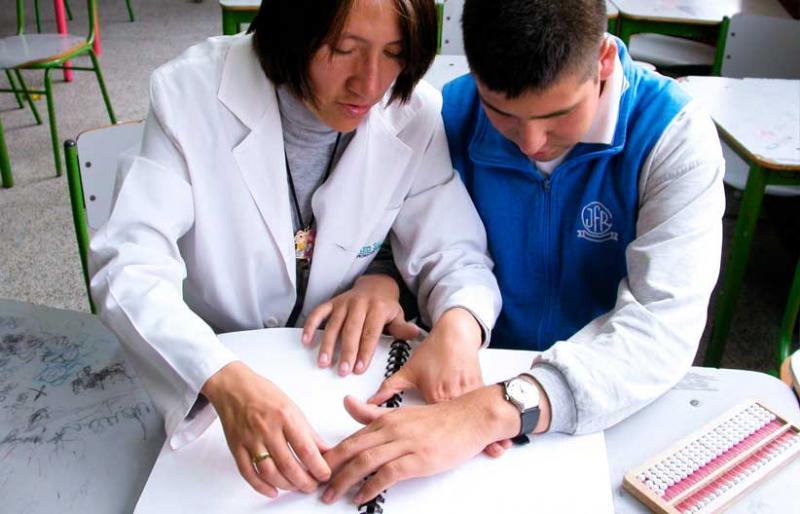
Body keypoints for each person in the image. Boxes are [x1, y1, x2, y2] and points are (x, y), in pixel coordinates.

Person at [89, 0, 501, 500]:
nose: (369, 85)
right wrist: (220, 378)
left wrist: (459, 326)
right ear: (291, 32)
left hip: (331, 380)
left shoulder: (410, 112)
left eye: (394, 54)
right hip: (213, 374)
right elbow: (129, 266)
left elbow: (452, 250)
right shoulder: (191, 96)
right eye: (343, 50)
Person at [321, 0, 725, 505]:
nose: (532, 141)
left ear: (602, 61)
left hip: (604, 396)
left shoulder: (672, 137)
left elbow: (662, 325)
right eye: (505, 116)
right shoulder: (453, 112)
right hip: (461, 374)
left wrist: (492, 411)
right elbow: (401, 227)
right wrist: (379, 276)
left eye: (557, 115)